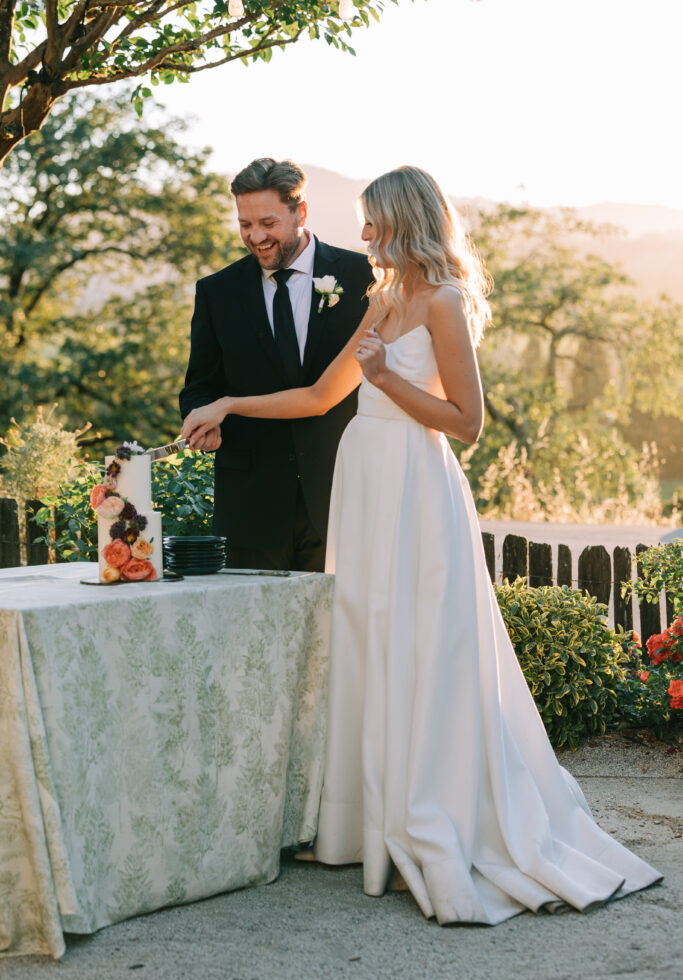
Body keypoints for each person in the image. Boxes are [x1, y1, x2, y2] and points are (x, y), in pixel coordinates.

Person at [181, 166, 662, 925]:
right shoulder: (380, 298)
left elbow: (465, 422)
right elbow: (317, 397)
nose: (363, 235)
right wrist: (229, 402)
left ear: (405, 222)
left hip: (415, 487)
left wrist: (389, 381)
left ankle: (434, 816)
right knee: (370, 644)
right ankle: (365, 824)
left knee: (423, 647)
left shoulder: (441, 302)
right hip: (364, 488)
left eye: (373, 222)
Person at [179, 157, 374, 571]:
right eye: (244, 224)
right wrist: (203, 420)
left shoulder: (363, 277)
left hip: (343, 492)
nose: (255, 237)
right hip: (251, 504)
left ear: (300, 211)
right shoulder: (217, 292)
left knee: (340, 632)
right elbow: (199, 385)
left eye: (268, 223)